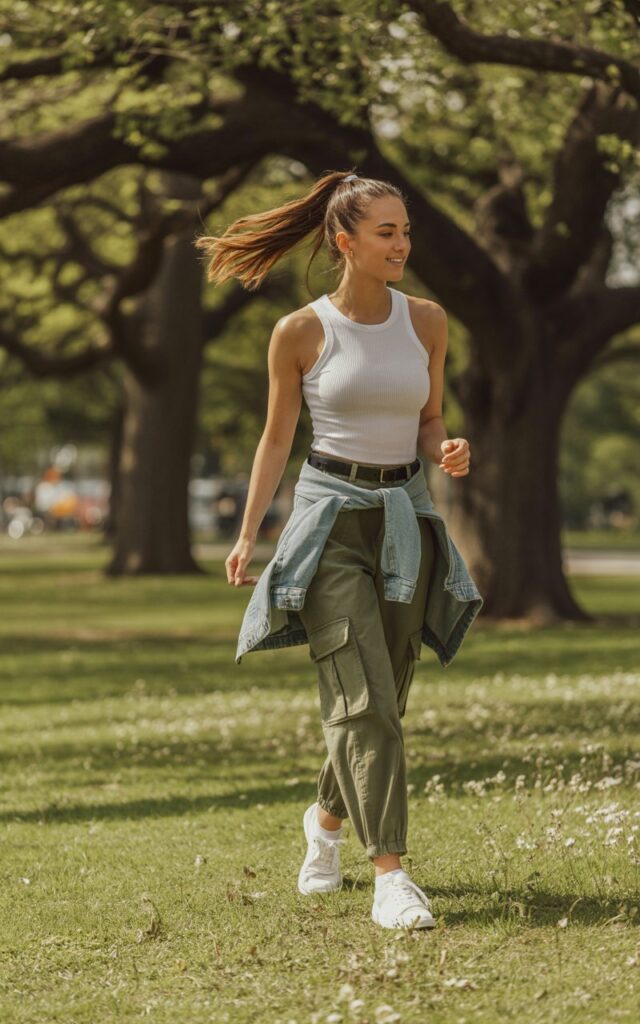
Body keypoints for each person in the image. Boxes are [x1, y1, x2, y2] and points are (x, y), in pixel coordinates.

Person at [195, 170, 483, 930]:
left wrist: (445, 446)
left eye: (406, 230)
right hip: (328, 523)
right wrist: (249, 530)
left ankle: (323, 825)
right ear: (343, 240)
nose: (403, 244)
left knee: (386, 692)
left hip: (404, 517)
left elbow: (428, 419)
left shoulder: (426, 321)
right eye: (387, 232)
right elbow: (277, 437)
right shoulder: (299, 331)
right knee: (361, 697)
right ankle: (391, 873)